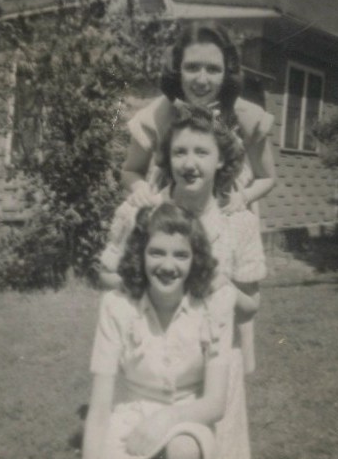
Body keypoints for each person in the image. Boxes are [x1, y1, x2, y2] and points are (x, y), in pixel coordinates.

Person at [82, 202, 236, 459]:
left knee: (183, 457)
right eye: (156, 252)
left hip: (189, 418)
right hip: (131, 420)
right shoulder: (116, 306)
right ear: (140, 254)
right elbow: (99, 410)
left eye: (181, 255)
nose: (168, 266)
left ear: (195, 258)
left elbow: (216, 403)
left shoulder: (213, 307)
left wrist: (166, 418)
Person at [100, 107, 265, 374]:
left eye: (201, 152)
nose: (189, 164)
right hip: (149, 364)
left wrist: (222, 286)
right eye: (179, 152)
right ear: (167, 157)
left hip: (216, 367)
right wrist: (148, 284)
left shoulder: (240, 223)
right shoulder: (141, 212)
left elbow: (250, 308)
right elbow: (106, 275)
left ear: (220, 159)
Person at [121, 20, 276, 213]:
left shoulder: (245, 115)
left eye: (213, 69)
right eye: (192, 67)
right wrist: (140, 188)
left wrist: (243, 197)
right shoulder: (158, 113)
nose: (202, 80)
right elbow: (130, 170)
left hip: (226, 211)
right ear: (178, 69)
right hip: (171, 211)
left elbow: (267, 177)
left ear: (226, 73)